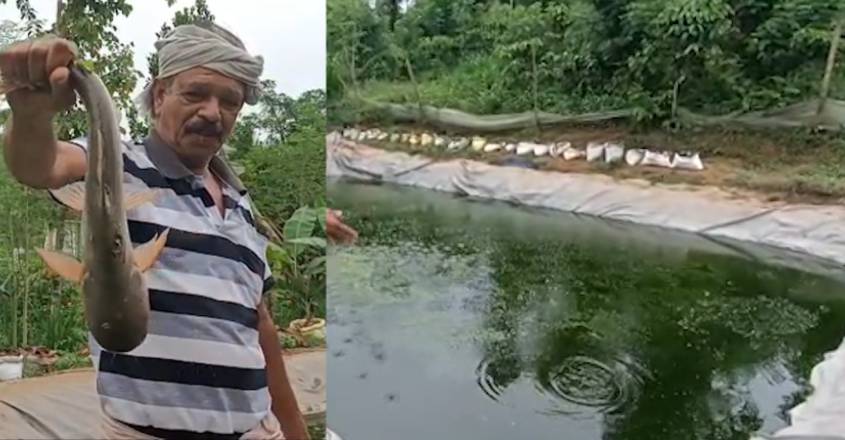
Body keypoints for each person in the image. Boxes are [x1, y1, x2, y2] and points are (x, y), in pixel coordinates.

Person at [1, 22, 314, 440]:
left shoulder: (241, 204)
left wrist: (295, 433)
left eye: (230, 101)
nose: (211, 112)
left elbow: (258, 324)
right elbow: (41, 166)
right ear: (161, 95)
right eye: (195, 93)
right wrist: (33, 113)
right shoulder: (119, 163)